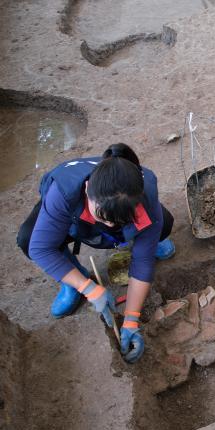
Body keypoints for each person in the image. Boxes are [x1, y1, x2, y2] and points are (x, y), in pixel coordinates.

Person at [17, 143, 175, 363]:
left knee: (163, 223)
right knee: (28, 239)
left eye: (115, 220)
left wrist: (131, 320)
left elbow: (142, 264)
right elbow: (40, 248)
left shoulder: (144, 197)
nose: (109, 224)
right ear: (88, 188)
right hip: (74, 219)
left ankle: (141, 237)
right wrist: (88, 288)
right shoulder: (64, 193)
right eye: (103, 217)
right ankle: (71, 276)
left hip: (124, 215)